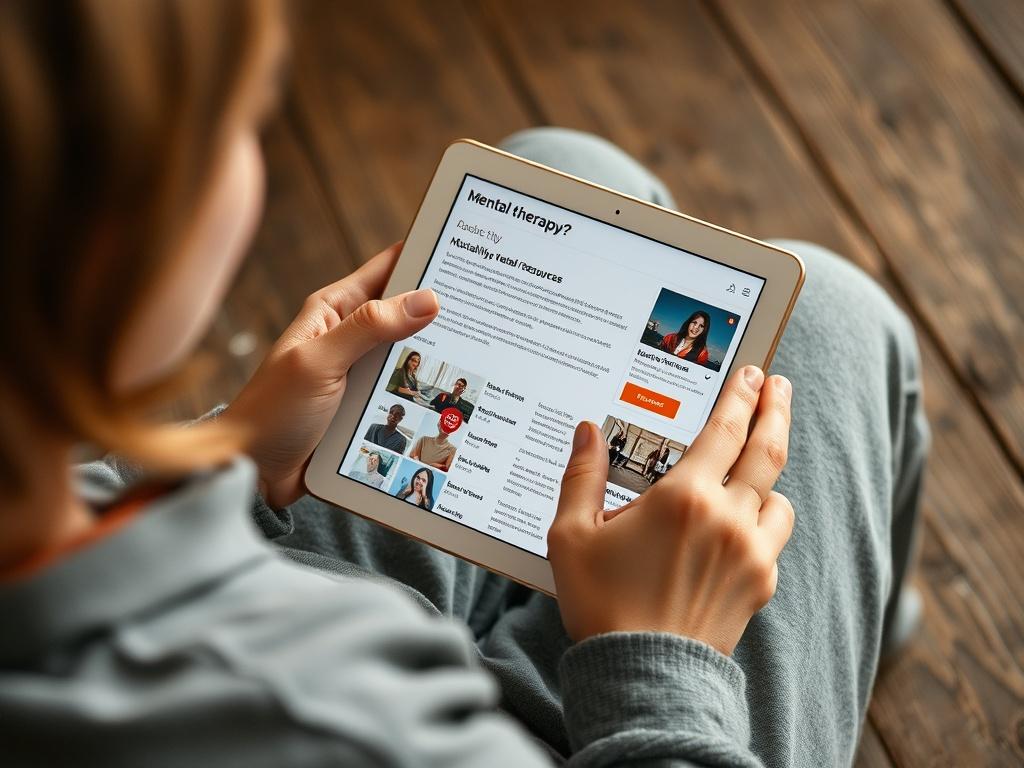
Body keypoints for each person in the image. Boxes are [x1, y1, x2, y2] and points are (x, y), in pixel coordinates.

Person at [0, 3, 929, 765]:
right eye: (244, 128)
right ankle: (848, 629)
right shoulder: (329, 726)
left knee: (567, 169)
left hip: (268, 581)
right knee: (837, 318)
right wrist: (664, 658)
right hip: (577, 725)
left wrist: (226, 464)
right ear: (113, 248)